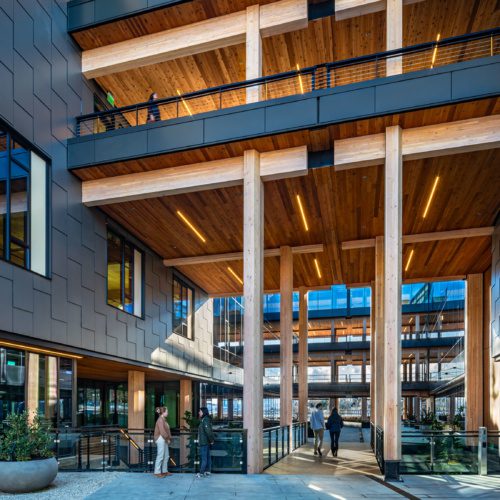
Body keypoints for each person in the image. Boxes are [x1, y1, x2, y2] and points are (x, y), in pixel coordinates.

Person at [153, 406, 173, 477]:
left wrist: (168, 438)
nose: (168, 413)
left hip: (163, 438)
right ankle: (157, 472)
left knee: (166, 456)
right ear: (163, 412)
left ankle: (164, 471)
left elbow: (166, 430)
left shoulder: (163, 419)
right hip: (160, 438)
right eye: (167, 411)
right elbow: (162, 431)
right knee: (160, 455)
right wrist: (167, 438)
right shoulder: (160, 420)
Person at [196, 406, 215, 478]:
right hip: (205, 442)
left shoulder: (205, 420)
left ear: (203, 412)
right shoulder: (204, 419)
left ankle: (201, 473)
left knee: (204, 458)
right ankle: (208, 471)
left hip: (204, 442)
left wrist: (212, 440)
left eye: (200, 411)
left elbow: (208, 432)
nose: (199, 412)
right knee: (207, 457)